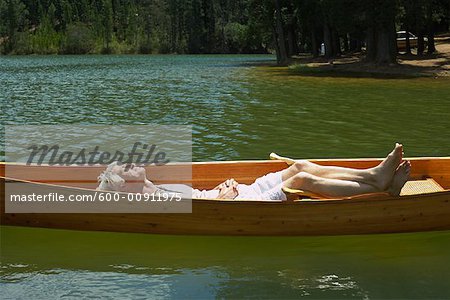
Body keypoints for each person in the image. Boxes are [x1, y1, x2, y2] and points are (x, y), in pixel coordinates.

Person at [97, 143, 410, 200]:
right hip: (239, 205)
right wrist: (222, 198)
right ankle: (382, 189)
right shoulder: (152, 202)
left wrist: (221, 188)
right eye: (126, 167)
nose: (133, 162)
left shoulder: (158, 188)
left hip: (237, 193)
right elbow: (200, 214)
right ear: (124, 184)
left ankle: (374, 175)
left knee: (299, 165)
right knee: (300, 180)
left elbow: (198, 197)